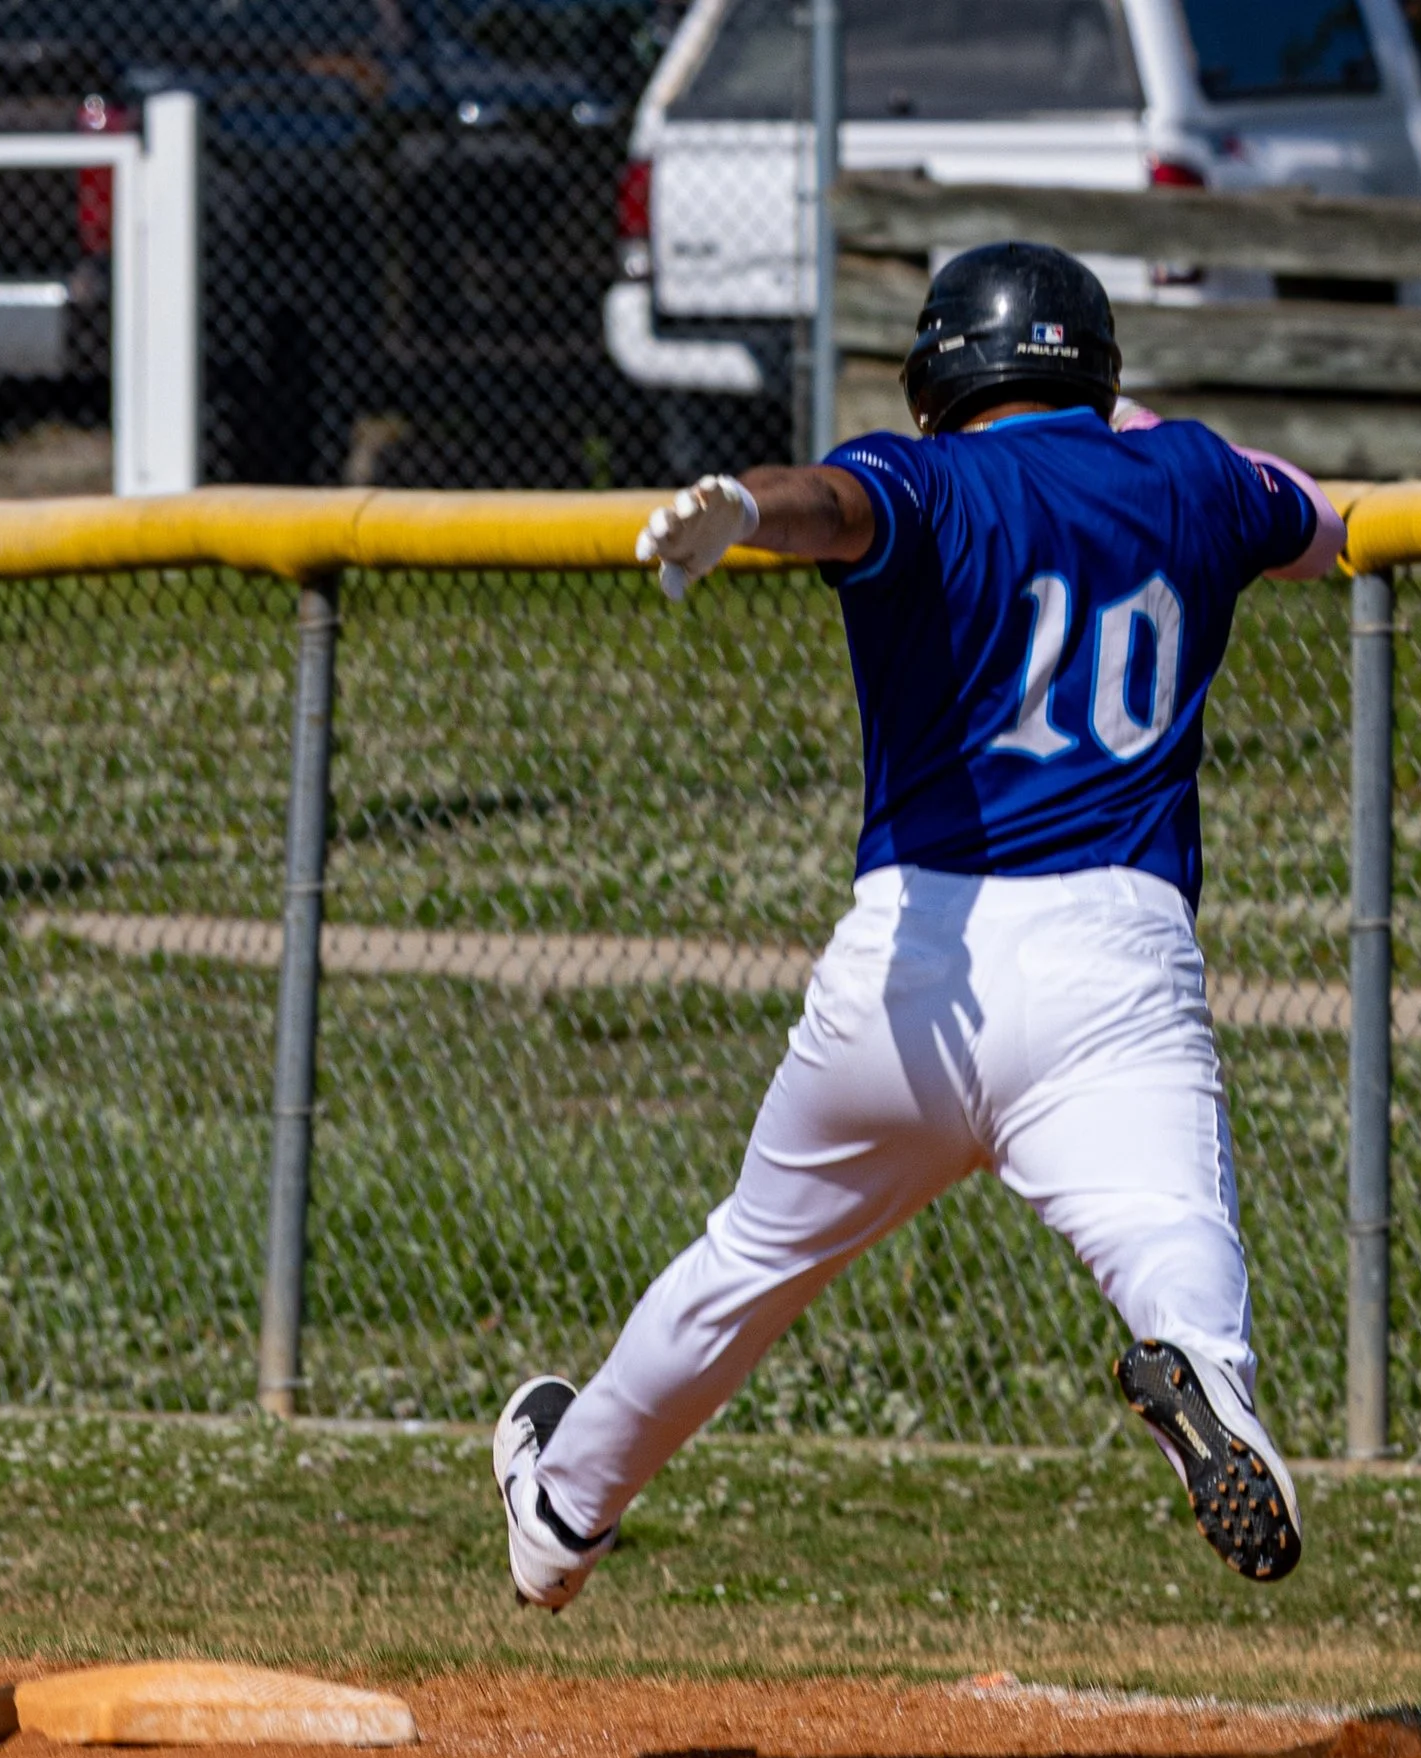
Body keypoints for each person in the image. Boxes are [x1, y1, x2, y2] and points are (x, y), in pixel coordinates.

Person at [494, 242, 1346, 1611]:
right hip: (1116, 959)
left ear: (944, 374)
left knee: (749, 1263)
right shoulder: (1190, 474)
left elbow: (833, 506)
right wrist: (1140, 435)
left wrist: (741, 506)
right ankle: (1216, 1397)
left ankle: (564, 1507)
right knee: (1171, 1230)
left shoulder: (933, 474)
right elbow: (1318, 520)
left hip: (915, 969)